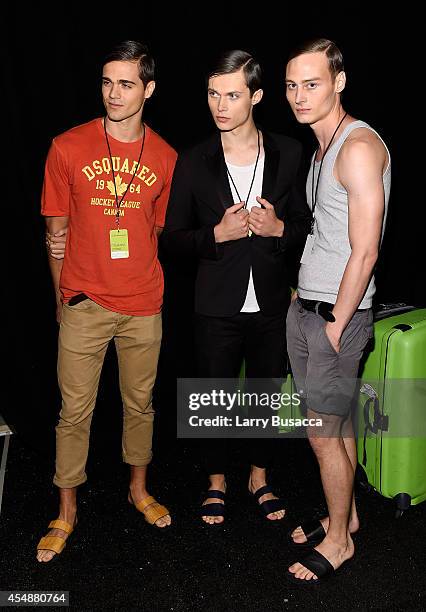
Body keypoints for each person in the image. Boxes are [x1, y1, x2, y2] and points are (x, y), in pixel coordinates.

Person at [37, 40, 177, 563]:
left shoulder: (164, 156)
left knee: (140, 405)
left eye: (125, 83)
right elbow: (56, 231)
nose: (113, 93)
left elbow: (155, 234)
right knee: (75, 411)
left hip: (144, 304)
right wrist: (62, 298)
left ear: (148, 90)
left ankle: (138, 489)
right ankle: (66, 509)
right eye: (106, 82)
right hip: (85, 301)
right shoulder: (67, 147)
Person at [162, 50, 311, 525]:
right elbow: (171, 240)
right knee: (213, 395)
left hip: (271, 299)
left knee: (267, 394)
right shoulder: (193, 160)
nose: (220, 105)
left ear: (257, 96)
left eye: (232, 94)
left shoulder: (289, 152)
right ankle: (216, 482)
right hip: (214, 303)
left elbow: (308, 226)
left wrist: (278, 230)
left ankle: (260, 477)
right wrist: (214, 236)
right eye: (212, 94)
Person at [284, 38, 391, 582]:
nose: (300, 96)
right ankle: (344, 519)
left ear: (339, 82)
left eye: (312, 83)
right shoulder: (322, 149)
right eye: (292, 86)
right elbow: (326, 235)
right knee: (337, 423)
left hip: (335, 319)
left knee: (322, 432)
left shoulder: (357, 147)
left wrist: (335, 325)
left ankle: (338, 542)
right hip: (310, 308)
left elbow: (366, 249)